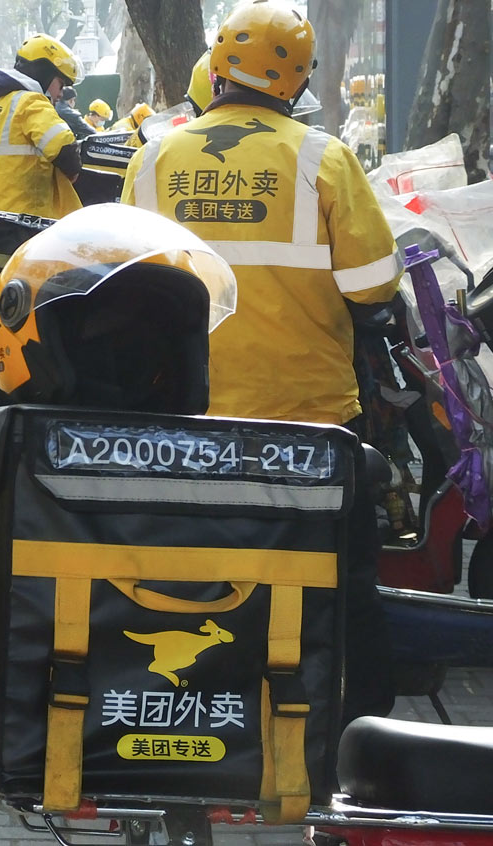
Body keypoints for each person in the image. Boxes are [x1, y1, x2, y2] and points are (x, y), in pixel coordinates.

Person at [121, 0, 401, 723]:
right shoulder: (323, 158)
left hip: (183, 421)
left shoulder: (155, 158)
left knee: (192, 580)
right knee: (341, 581)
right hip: (308, 423)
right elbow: (374, 288)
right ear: (297, 83)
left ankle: (206, 711)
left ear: (215, 70)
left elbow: (117, 279)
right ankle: (354, 734)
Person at [0, 33, 83, 219]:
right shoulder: (30, 102)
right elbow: (64, 146)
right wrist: (73, 169)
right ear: (44, 73)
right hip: (19, 231)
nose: (61, 94)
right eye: (60, 85)